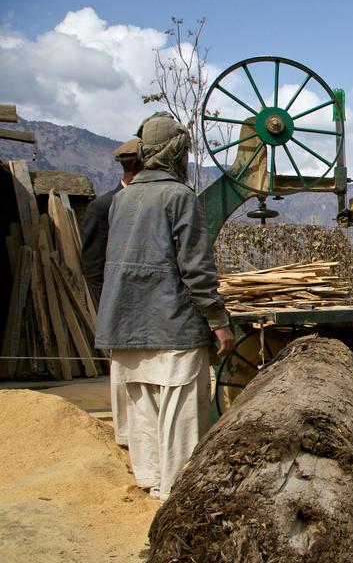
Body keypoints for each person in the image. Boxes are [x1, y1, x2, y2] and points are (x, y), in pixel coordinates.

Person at [95, 112, 235, 500]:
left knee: (143, 410)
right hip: (173, 329)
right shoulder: (179, 198)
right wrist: (218, 321)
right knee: (180, 418)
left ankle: (153, 482)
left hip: (124, 326)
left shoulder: (121, 200)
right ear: (176, 153)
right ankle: (179, 495)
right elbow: (196, 269)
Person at [81, 138, 142, 447]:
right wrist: (108, 309)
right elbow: (92, 268)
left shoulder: (152, 202)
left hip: (148, 313)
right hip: (119, 311)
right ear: (134, 166)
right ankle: (127, 440)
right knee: (124, 379)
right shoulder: (104, 206)